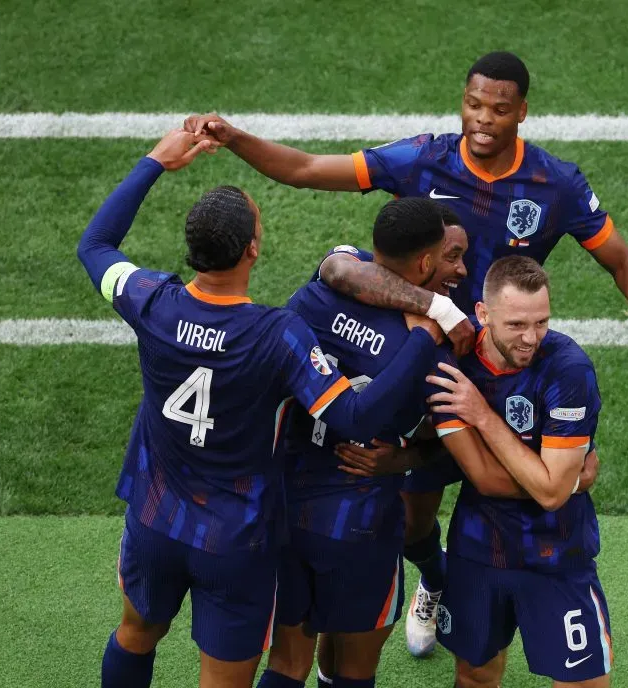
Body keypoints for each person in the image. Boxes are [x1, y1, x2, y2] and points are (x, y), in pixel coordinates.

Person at [184, 49, 628, 656]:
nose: (482, 119)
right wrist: (233, 137)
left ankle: (483, 588)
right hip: (422, 357)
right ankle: (436, 579)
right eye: (472, 104)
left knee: (500, 481)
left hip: (498, 365)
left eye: (498, 108)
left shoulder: (556, 184)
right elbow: (307, 169)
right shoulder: (424, 159)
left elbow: (619, 259)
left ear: (522, 112)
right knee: (413, 515)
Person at [76, 130, 444, 688]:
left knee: (135, 634)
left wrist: (155, 161)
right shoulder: (278, 335)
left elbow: (95, 245)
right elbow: (353, 418)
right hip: (236, 541)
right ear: (252, 249)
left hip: (154, 518)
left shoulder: (150, 300)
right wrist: (422, 339)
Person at [256, 198, 468, 688]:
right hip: (360, 522)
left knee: (287, 663)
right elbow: (459, 445)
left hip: (285, 504)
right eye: (447, 256)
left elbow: (339, 267)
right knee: (351, 671)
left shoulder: (316, 292)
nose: (456, 267)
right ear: (424, 263)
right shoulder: (434, 353)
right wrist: (404, 460)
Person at [426, 256, 611, 688]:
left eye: (542, 322)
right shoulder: (452, 368)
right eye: (516, 325)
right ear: (484, 315)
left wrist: (483, 416)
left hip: (557, 552)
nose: (531, 338)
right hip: (479, 550)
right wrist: (563, 480)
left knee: (585, 684)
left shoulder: (569, 370)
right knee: (474, 676)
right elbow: (489, 479)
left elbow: (550, 495)